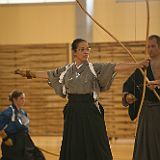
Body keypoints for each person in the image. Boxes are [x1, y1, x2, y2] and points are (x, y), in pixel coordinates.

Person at [15, 38, 149, 160]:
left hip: (90, 109)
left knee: (97, 143)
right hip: (73, 110)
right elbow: (50, 75)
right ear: (74, 52)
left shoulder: (93, 67)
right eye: (82, 49)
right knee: (74, 143)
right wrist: (30, 73)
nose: (86, 52)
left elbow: (115, 67)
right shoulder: (67, 70)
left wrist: (138, 64)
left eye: (87, 49)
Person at [122, 35, 160, 160]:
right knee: (146, 146)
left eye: (153, 46)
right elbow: (129, 85)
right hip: (147, 112)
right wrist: (128, 96)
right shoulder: (143, 67)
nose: (150, 49)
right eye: (148, 46)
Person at [0, 89, 46, 160]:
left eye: (24, 98)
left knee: (38, 157)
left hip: (24, 141)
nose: (23, 100)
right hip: (13, 142)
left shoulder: (23, 113)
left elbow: (25, 127)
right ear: (14, 100)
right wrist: (6, 139)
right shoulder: (7, 112)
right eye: (21, 98)